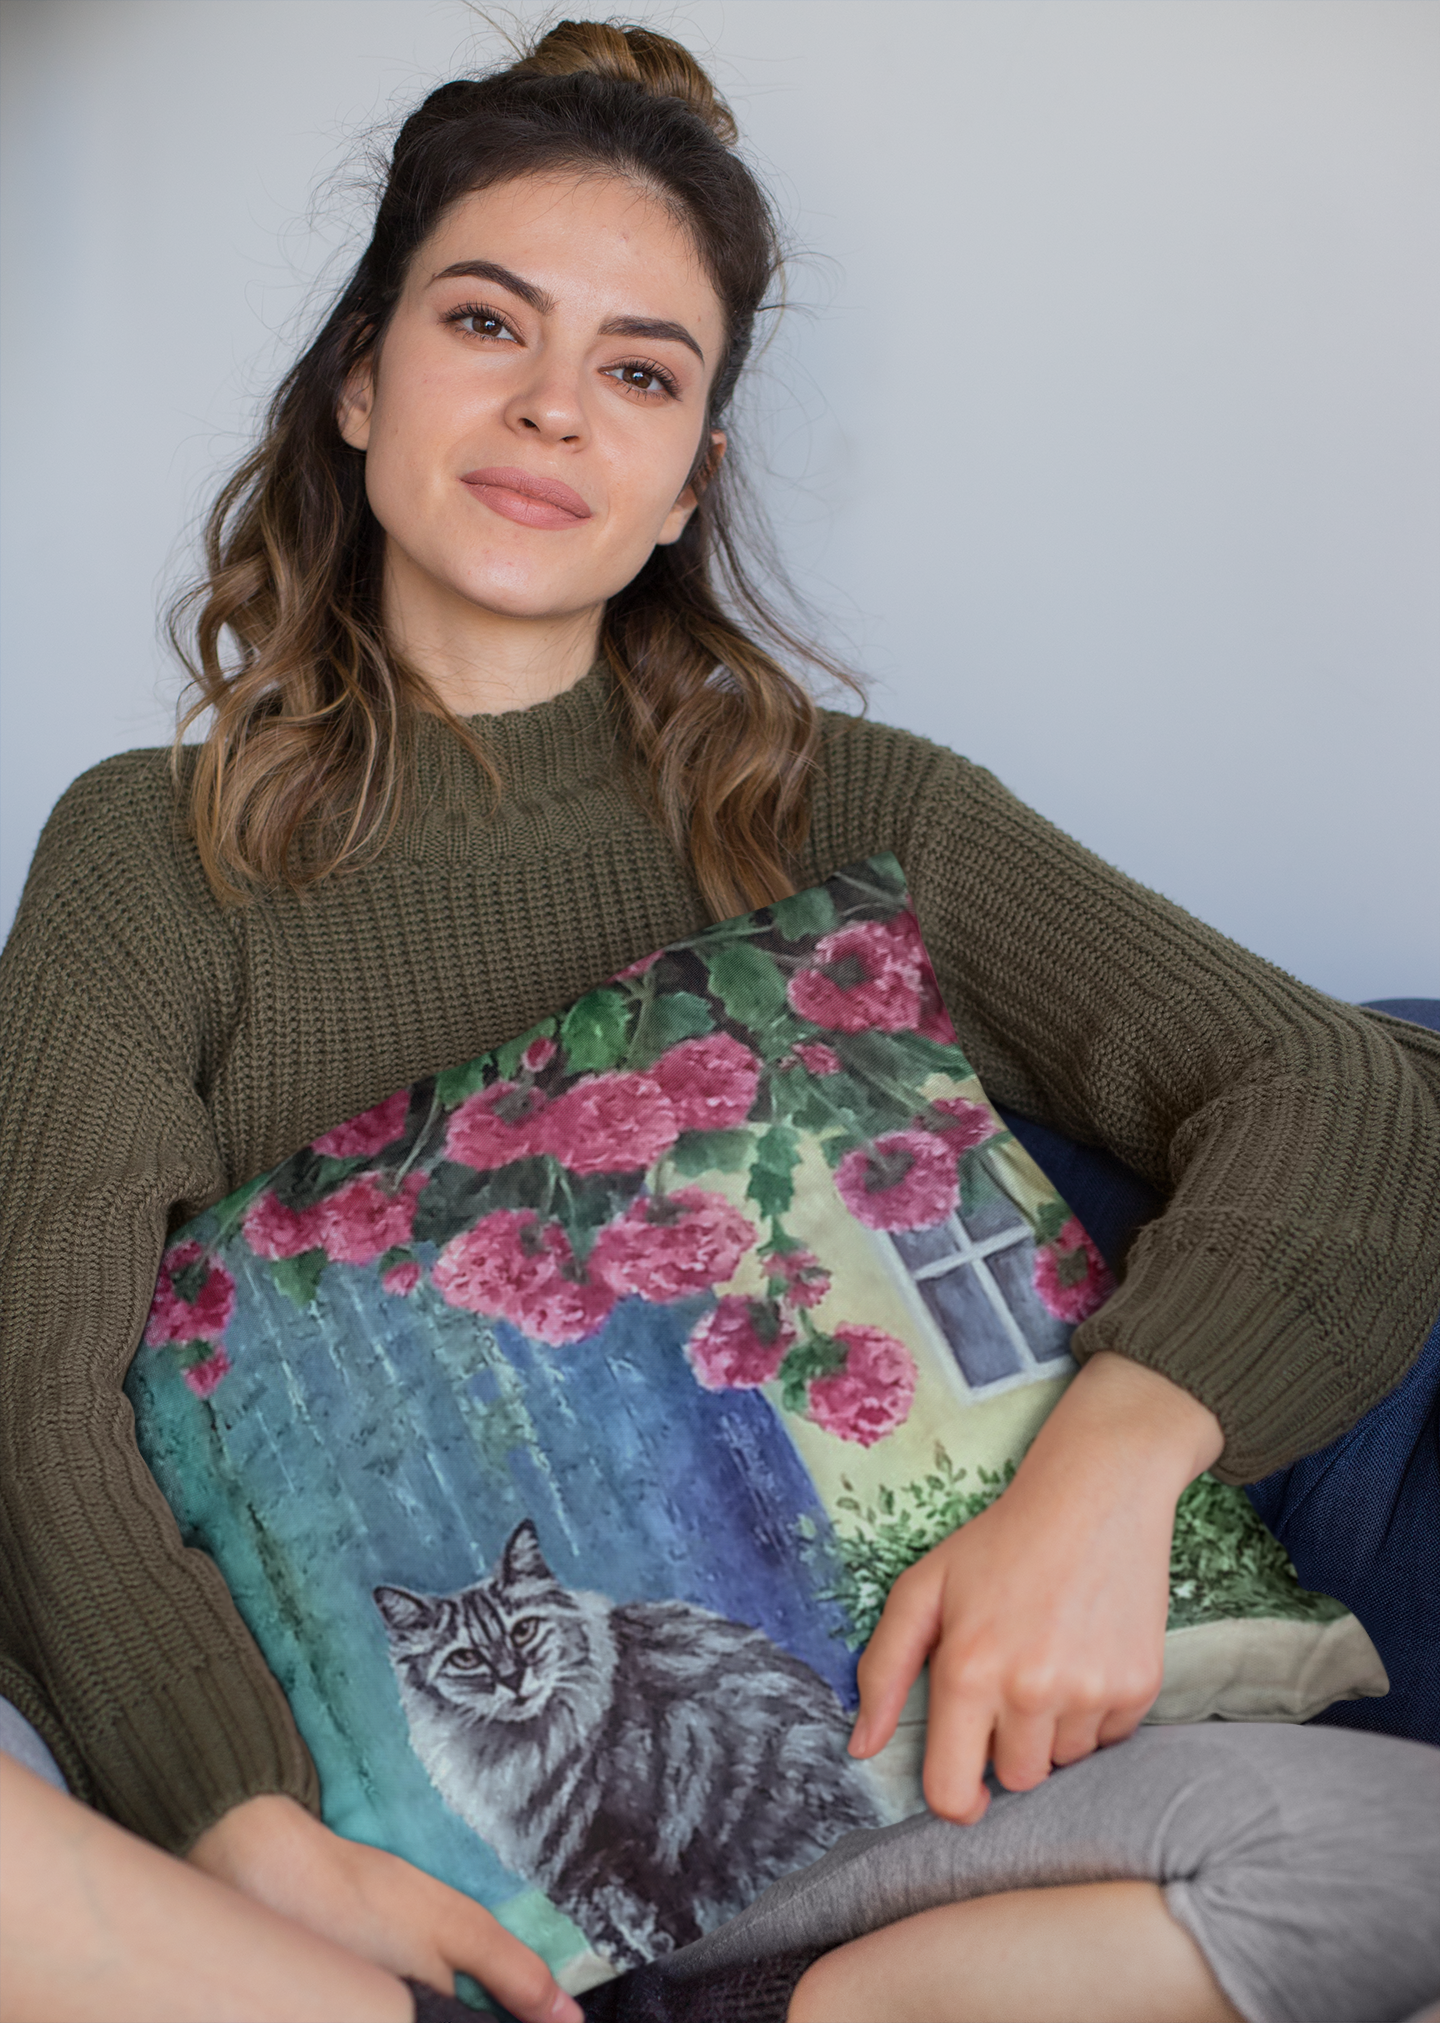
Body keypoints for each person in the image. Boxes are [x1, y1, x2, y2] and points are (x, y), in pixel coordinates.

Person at [1, 21, 1437, 2023]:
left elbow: (1347, 1092)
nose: (552, 407)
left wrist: (1103, 1479)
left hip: (867, 1814)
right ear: (359, 380)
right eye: (485, 322)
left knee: (1392, 1851)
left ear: (693, 478)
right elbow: (32, 1388)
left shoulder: (856, 813)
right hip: (320, 1867)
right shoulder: (151, 855)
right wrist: (243, 1824)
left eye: (640, 372)